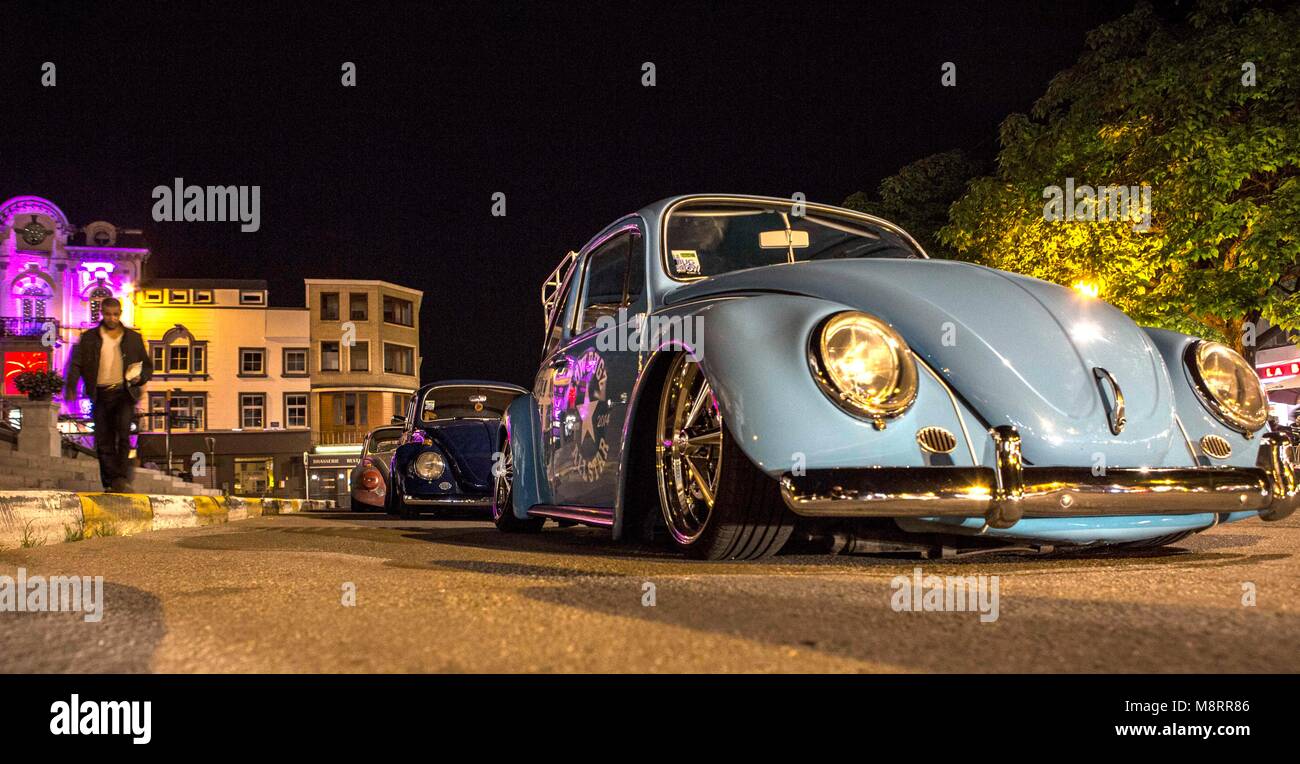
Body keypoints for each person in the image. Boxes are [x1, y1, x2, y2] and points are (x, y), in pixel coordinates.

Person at [63, 297, 153, 492]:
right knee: (103, 440)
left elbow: (147, 365)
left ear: (120, 314)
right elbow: (76, 363)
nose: (111, 318)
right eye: (107, 314)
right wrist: (71, 386)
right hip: (101, 394)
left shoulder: (132, 338)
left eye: (115, 314)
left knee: (123, 435)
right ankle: (110, 481)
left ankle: (121, 478)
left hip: (124, 393)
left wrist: (140, 378)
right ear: (102, 314)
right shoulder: (89, 338)